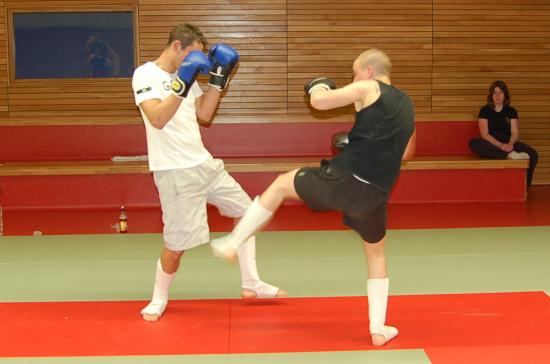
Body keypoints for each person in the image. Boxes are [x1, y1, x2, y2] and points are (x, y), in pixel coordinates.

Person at [210, 49, 416, 346]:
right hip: (376, 194)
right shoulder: (408, 104)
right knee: (376, 254)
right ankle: (378, 328)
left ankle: (232, 242)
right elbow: (406, 153)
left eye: (355, 73)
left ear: (369, 71)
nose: (353, 80)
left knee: (281, 184)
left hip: (345, 179)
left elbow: (319, 102)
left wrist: (318, 85)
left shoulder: (369, 87)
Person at [131, 23, 286, 322]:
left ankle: (251, 282)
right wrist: (182, 80)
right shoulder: (145, 74)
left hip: (205, 164)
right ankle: (158, 298)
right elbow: (158, 118)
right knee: (176, 246)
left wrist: (218, 78)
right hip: (175, 172)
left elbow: (203, 114)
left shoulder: (186, 76)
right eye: (193, 57)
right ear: (177, 46)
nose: (197, 64)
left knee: (250, 212)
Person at [469, 80, 539, 186]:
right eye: (495, 93)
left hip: (509, 143)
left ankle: (525, 185)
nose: (497, 96)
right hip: (492, 144)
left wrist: (510, 144)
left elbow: (515, 132)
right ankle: (509, 155)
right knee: (473, 143)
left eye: (500, 92)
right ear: (491, 95)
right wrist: (501, 146)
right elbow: (484, 134)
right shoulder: (484, 110)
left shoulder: (511, 111)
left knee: (533, 154)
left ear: (505, 95)